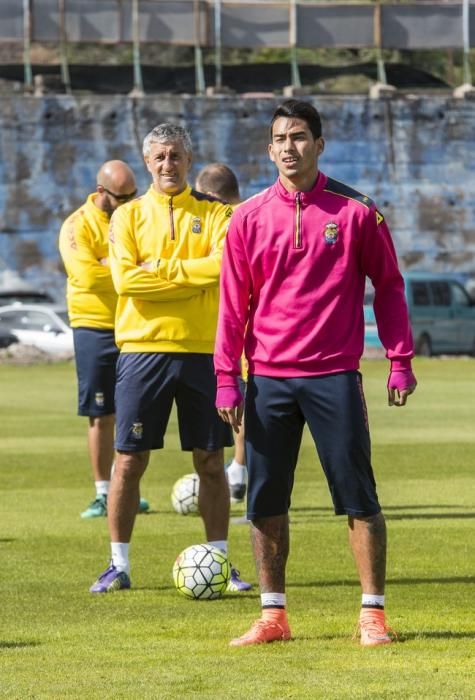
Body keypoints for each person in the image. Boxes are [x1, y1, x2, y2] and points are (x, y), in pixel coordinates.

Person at [214, 99, 417, 647]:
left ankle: (372, 615)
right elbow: (232, 305)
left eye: (299, 137)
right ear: (269, 148)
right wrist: (226, 375)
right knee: (265, 502)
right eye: (279, 138)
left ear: (319, 144)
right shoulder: (247, 218)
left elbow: (390, 287)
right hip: (268, 382)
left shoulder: (356, 212)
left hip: (334, 377)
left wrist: (399, 360)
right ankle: (272, 616)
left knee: (359, 498)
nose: (288, 147)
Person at [89, 124, 251, 594]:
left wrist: (159, 269)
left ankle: (220, 562)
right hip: (143, 350)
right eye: (159, 157)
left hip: (203, 350)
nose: (168, 165)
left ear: (188, 158)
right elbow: (126, 282)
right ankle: (117, 564)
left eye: (176, 155)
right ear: (147, 162)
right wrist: (190, 279)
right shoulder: (127, 218)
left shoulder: (217, 214)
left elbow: (224, 268)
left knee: (211, 460)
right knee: (130, 460)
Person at [59, 160, 150, 519]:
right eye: (122, 197)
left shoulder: (134, 217)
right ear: (101, 193)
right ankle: (101, 491)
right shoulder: (75, 226)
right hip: (94, 325)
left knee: (133, 411)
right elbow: (86, 277)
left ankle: (124, 489)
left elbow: (153, 260)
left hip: (134, 324)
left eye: (133, 195)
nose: (129, 202)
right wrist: (127, 266)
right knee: (101, 413)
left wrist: (107, 262)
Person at [195, 163, 247, 504]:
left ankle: (242, 475)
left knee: (244, 409)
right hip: (259, 330)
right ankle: (241, 473)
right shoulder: (258, 212)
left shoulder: (229, 220)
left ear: (211, 195)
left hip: (241, 332)